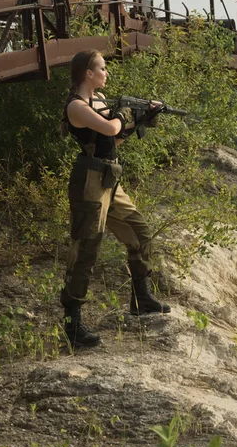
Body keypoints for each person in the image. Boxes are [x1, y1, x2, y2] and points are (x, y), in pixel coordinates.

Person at [60, 49, 171, 348]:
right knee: (86, 250)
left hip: (110, 178)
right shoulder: (77, 106)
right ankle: (73, 326)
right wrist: (122, 114)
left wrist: (142, 121)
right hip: (90, 182)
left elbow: (114, 139)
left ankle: (141, 297)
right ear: (88, 73)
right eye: (103, 68)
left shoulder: (97, 102)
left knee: (139, 232)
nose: (107, 73)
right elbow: (111, 127)